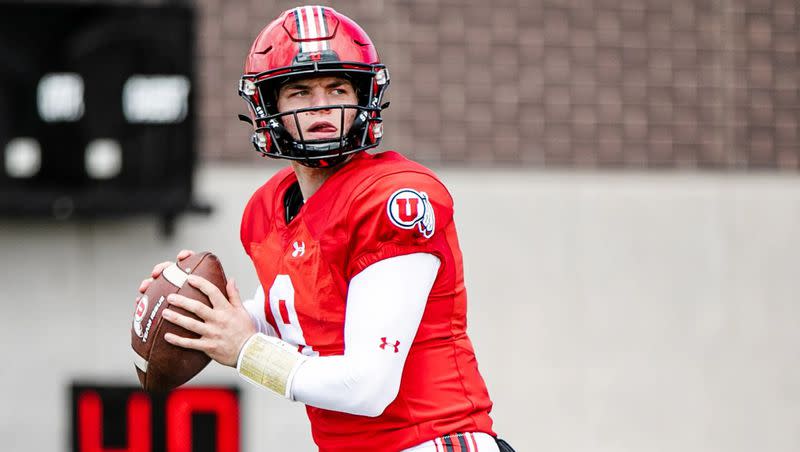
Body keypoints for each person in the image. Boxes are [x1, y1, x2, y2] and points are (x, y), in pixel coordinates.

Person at [138, 6, 514, 452]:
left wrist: (245, 351)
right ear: (268, 105)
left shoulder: (395, 198)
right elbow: (298, 317)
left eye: (337, 88)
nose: (323, 106)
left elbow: (366, 387)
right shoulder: (267, 207)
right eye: (300, 92)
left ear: (363, 100)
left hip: (433, 442)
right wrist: (207, 316)